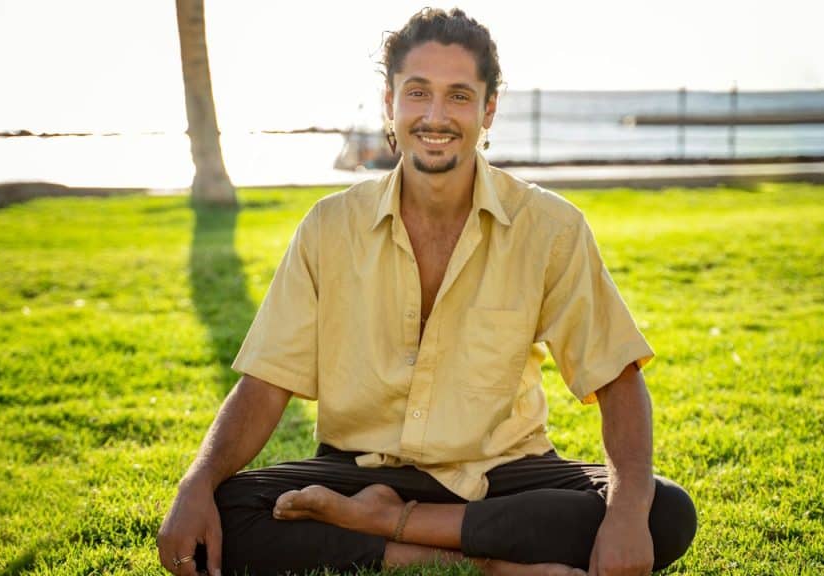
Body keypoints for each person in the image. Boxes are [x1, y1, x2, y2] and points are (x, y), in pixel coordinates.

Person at [157, 8, 697, 576]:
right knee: (225, 509)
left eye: (459, 96)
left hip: (503, 473)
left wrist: (628, 514)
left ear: (489, 110)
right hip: (358, 471)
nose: (436, 116)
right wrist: (197, 482)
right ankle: (486, 565)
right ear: (389, 103)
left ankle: (382, 528)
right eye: (418, 93)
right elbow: (265, 385)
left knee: (663, 510)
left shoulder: (549, 226)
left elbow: (617, 379)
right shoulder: (328, 227)